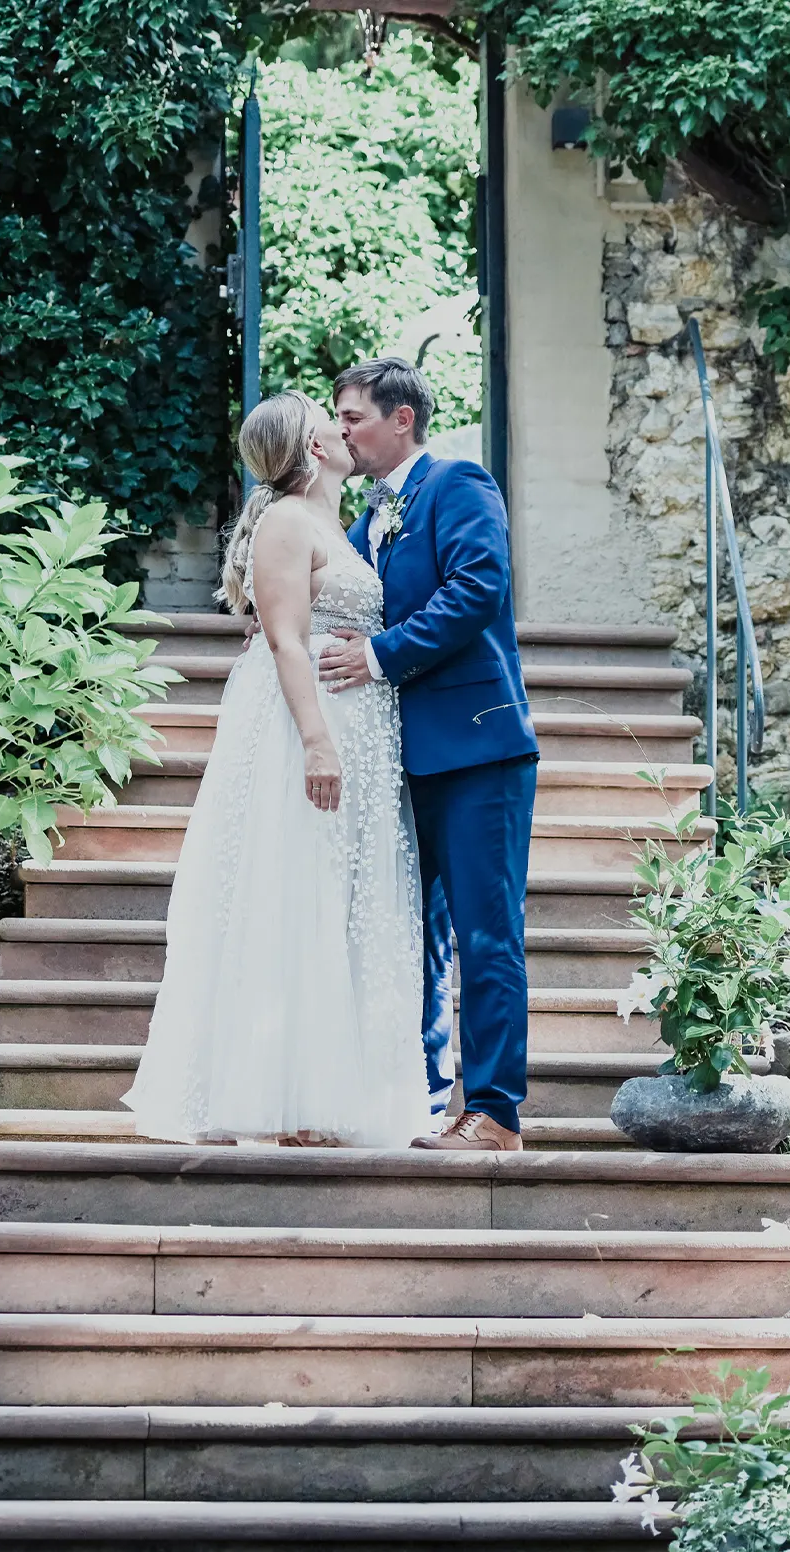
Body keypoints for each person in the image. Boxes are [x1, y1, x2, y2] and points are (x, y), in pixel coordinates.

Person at [123, 392, 427, 1148]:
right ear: (313, 447)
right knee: (301, 896)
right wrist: (318, 742)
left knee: (339, 899)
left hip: (358, 723)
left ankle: (331, 1093)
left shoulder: (334, 523)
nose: (342, 421)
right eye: (330, 415)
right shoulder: (288, 523)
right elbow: (287, 641)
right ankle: (288, 1101)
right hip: (308, 724)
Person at [317, 357, 538, 1152]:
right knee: (404, 934)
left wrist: (378, 654)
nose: (341, 429)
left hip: (476, 749)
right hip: (394, 760)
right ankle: (417, 1096)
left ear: (401, 417)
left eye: (352, 416)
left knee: (486, 933)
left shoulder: (459, 483)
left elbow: (477, 588)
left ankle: (496, 1113)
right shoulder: (360, 519)